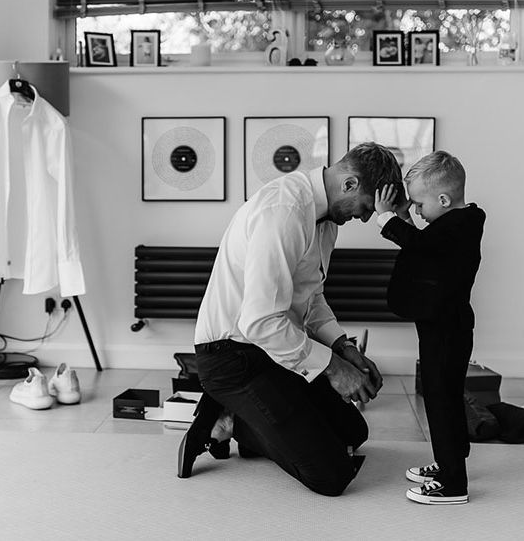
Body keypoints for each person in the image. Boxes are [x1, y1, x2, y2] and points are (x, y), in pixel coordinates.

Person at [178, 142, 402, 496]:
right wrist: (331, 368)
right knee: (331, 476)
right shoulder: (283, 210)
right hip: (231, 355)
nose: (363, 217)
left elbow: (311, 296)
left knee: (354, 433)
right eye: (365, 207)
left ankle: (245, 418)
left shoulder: (327, 222)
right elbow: (260, 321)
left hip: (272, 350)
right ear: (349, 184)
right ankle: (229, 415)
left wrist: (343, 348)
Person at [374, 150, 485, 505]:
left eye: (420, 204)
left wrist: (386, 219)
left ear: (443, 199)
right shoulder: (455, 225)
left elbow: (421, 245)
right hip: (443, 327)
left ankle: (454, 484)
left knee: (441, 400)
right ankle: (448, 460)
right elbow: (428, 248)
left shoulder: (461, 227)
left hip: (447, 330)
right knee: (441, 396)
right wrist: (405, 216)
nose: (418, 211)